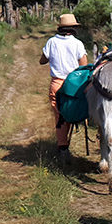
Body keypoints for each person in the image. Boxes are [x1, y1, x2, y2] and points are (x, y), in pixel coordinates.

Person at [40, 14, 89, 157]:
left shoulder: (51, 42)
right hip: (74, 84)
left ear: (60, 28)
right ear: (73, 28)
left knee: (59, 115)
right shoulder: (77, 44)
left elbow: (42, 60)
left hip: (57, 82)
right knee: (75, 109)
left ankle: (62, 147)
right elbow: (84, 66)